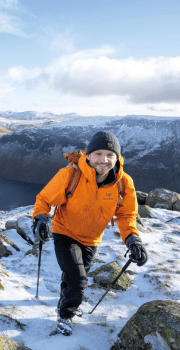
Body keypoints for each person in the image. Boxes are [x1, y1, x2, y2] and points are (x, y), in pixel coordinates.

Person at [32, 131, 148, 336]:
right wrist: (40, 218)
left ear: (117, 158)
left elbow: (127, 214)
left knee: (75, 276)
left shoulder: (123, 183)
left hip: (92, 239)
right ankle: (65, 315)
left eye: (110, 155)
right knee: (78, 279)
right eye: (98, 154)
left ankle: (66, 297)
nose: (104, 160)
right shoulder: (71, 174)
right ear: (88, 155)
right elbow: (44, 199)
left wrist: (132, 239)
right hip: (65, 232)